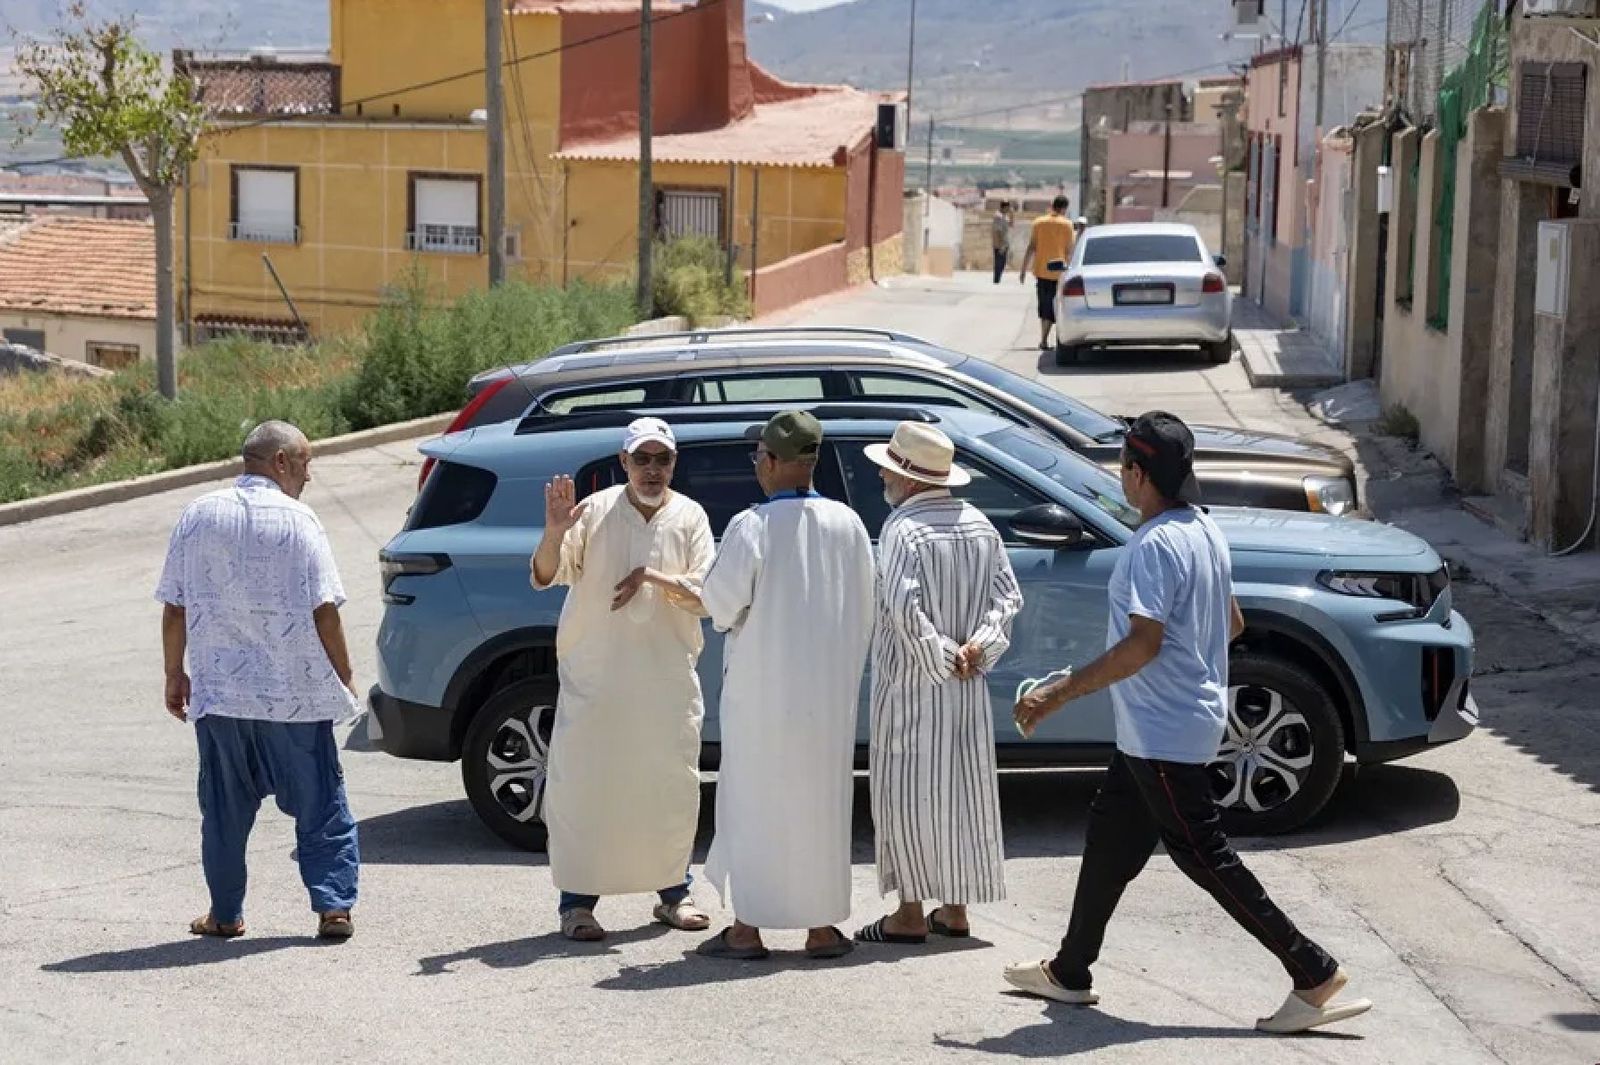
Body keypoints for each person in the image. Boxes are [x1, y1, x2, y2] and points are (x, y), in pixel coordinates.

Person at [1005, 412, 1372, 1035]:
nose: (1121, 477)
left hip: (1164, 734)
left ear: (1139, 473)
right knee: (1109, 839)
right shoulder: (1204, 531)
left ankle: (1312, 973)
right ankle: (1070, 970)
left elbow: (1141, 645)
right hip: (1167, 725)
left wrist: (1057, 694)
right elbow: (1229, 623)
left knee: (1206, 856)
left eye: (1123, 466)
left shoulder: (1150, 547)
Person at [156, 420, 361, 941]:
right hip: (295, 698)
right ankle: (333, 908)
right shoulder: (300, 521)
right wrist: (344, 674)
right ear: (281, 462)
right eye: (306, 464)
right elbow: (324, 610)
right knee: (321, 805)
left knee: (223, 813)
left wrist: (173, 672)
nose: (309, 477)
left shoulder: (197, 515)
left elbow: (175, 608)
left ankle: (225, 915)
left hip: (222, 698)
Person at [696, 411, 875, 961]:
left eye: (758, 457)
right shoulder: (849, 525)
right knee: (819, 808)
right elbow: (867, 607)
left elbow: (719, 605)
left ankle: (748, 928)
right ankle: (820, 927)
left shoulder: (753, 527)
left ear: (772, 461)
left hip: (762, 699)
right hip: (827, 697)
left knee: (756, 808)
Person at [530, 417, 715, 942]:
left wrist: (652, 577)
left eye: (661, 459)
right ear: (624, 462)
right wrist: (554, 531)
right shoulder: (593, 510)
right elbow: (547, 575)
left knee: (668, 787)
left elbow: (706, 596)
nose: (652, 469)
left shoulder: (691, 516)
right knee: (587, 788)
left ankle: (674, 893)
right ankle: (577, 905)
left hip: (665, 682)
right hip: (597, 681)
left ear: (673, 464)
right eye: (642, 459)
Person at [854, 422, 1023, 947]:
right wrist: (979, 648)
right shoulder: (979, 524)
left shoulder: (904, 529)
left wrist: (945, 656)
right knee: (963, 792)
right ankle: (955, 909)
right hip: (968, 684)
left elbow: (903, 608)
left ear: (904, 477)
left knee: (905, 794)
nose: (882, 474)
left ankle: (908, 912)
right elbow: (1007, 598)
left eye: (887, 467)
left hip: (913, 684)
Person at [1019, 194, 1077, 351]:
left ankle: (1044, 339)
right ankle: (1048, 339)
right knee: (1056, 307)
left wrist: (1023, 270)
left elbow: (1031, 247)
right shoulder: (1067, 225)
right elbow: (1070, 251)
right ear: (1065, 208)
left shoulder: (1039, 223)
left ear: (1052, 206)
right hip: (1060, 272)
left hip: (1041, 271)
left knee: (1044, 305)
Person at [991, 200, 1014, 284]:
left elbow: (1011, 225)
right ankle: (996, 280)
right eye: (1008, 208)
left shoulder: (1004, 216)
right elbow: (998, 231)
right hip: (999, 244)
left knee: (1002, 263)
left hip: (1004, 244)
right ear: (1004, 207)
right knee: (999, 263)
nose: (1009, 209)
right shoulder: (998, 216)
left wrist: (1012, 215)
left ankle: (997, 279)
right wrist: (1001, 245)